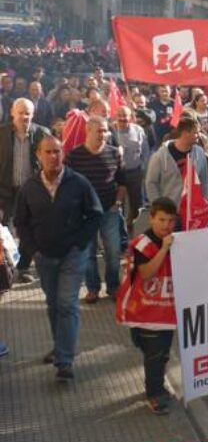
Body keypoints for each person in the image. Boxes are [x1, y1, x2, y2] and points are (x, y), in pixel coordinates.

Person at [15, 136, 103, 382]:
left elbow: (95, 215)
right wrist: (34, 249)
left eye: (57, 152)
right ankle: (59, 346)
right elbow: (20, 221)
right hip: (45, 257)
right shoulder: (29, 187)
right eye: (48, 152)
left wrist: (80, 244)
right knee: (53, 304)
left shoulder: (79, 183)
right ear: (38, 156)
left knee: (67, 304)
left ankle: (65, 360)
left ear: (63, 154)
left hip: (72, 256)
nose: (53, 156)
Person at [115, 197, 178, 415]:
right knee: (154, 355)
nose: (166, 226)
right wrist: (164, 250)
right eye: (161, 220)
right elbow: (146, 273)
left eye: (170, 221)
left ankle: (157, 386)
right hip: (146, 313)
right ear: (151, 218)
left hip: (165, 312)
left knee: (162, 354)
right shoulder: (143, 244)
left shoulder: (175, 239)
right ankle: (154, 394)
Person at [66, 115, 127, 302]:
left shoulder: (115, 153)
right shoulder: (74, 156)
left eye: (105, 130)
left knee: (113, 253)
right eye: (99, 130)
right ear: (88, 131)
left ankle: (113, 287)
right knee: (88, 253)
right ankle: (92, 289)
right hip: (85, 214)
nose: (103, 134)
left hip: (109, 211)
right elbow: (67, 185)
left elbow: (122, 183)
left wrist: (118, 203)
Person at [0, 98, 50, 278]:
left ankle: (23, 268)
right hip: (5, 191)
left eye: (27, 113)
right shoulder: (2, 133)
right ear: (13, 113)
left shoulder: (42, 134)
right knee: (3, 229)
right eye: (20, 112)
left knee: (29, 229)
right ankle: (5, 268)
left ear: (33, 115)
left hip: (31, 191)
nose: (24, 116)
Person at [145, 115, 208, 206]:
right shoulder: (159, 156)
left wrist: (203, 203)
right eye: (196, 132)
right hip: (169, 211)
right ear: (185, 133)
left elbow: (204, 181)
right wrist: (158, 207)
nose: (199, 136)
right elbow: (151, 183)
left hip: (192, 210)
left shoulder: (200, 153)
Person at [115, 105, 151, 230]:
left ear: (130, 117)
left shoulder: (138, 130)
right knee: (119, 203)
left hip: (135, 172)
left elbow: (145, 149)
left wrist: (144, 165)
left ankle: (132, 223)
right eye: (119, 115)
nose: (122, 118)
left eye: (125, 115)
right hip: (117, 175)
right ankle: (121, 227)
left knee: (136, 203)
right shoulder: (112, 131)